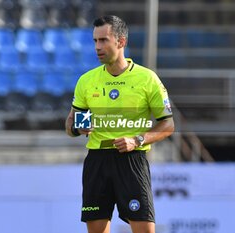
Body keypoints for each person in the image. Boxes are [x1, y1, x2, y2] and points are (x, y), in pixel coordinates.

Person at [65, 15, 174, 233]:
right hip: (97, 160)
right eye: (95, 41)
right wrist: (78, 127)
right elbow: (70, 123)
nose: (98, 47)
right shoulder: (87, 81)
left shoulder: (147, 79)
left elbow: (168, 125)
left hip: (132, 161)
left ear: (121, 42)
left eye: (104, 40)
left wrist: (137, 140)